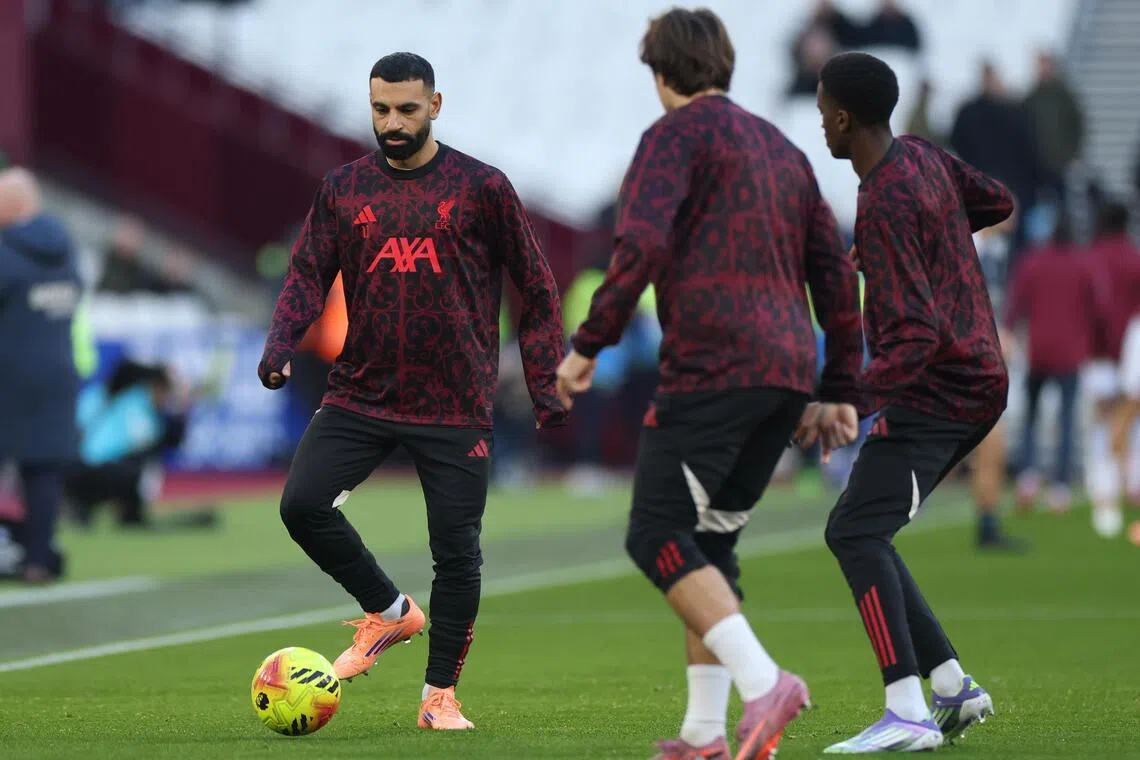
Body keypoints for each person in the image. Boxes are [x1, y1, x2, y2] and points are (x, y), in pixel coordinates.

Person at [557, 10, 865, 759]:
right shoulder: (785, 151)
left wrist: (588, 343)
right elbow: (834, 271)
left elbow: (642, 243)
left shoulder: (671, 138)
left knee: (655, 534)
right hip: (788, 373)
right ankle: (704, 735)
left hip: (713, 367)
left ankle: (766, 685)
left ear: (660, 75)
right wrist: (839, 388)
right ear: (725, 66)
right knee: (709, 548)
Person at [257, 52, 566, 731]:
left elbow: (537, 286)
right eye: (380, 109)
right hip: (361, 391)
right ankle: (391, 612)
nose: (392, 122)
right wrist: (280, 345)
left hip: (455, 402)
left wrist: (544, 381)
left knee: (457, 552)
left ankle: (439, 698)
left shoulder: (482, 187)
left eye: (406, 109)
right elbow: (307, 273)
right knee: (302, 504)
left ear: (435, 105)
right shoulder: (343, 188)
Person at [815, 52, 1014, 752]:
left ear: (843, 117)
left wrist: (843, 402)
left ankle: (906, 711)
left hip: (943, 387)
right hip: (979, 375)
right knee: (864, 525)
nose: (819, 123)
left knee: (855, 532)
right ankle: (953, 687)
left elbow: (915, 337)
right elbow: (998, 201)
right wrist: (933, 238)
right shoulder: (924, 159)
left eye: (821, 111)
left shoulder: (883, 201)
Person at [0, 167, 83, 584]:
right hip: (57, 373)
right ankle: (36, 560)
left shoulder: (6, 251)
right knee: (43, 472)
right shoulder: (65, 249)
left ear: (14, 204)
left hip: (9, 375)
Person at [1083, 202, 1140, 537]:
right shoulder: (1133, 257)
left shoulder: (1090, 257)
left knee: (1104, 421)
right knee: (1129, 418)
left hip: (1098, 353)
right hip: (1130, 346)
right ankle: (1129, 484)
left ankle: (1104, 490)